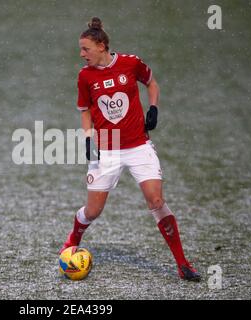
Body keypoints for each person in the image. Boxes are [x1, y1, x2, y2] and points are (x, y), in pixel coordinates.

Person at [60, 17, 201, 281]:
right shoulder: (85, 76)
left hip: (138, 145)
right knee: (93, 211)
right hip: (107, 149)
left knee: (156, 200)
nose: (81, 54)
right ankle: (73, 239)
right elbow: (85, 111)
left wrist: (154, 108)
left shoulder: (131, 63)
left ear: (101, 46)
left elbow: (152, 83)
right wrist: (89, 138)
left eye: (85, 49)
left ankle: (183, 264)